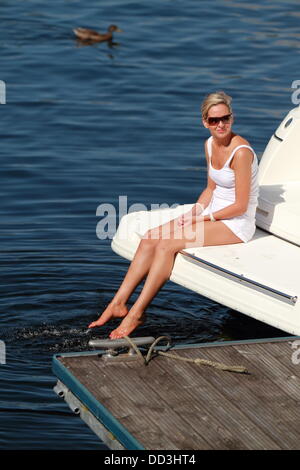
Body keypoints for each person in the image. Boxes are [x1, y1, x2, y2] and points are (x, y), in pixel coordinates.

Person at [88, 91, 259, 339]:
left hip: (235, 224)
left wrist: (202, 219)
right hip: (211, 214)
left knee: (167, 246)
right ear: (205, 122)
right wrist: (195, 211)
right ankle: (117, 303)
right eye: (214, 120)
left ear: (232, 118)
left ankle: (137, 313)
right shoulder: (209, 144)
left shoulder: (241, 152)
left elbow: (241, 206)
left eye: (225, 118)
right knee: (150, 237)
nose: (220, 125)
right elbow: (210, 189)